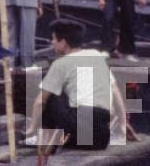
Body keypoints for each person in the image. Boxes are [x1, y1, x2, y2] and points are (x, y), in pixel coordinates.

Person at [24, 19, 130, 151]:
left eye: (54, 39)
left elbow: (40, 102)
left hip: (80, 134)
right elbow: (115, 93)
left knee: (49, 96)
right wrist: (122, 125)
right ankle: (59, 138)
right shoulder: (96, 56)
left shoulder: (60, 64)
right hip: (101, 139)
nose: (52, 43)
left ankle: (42, 139)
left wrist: (31, 129)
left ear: (63, 42)